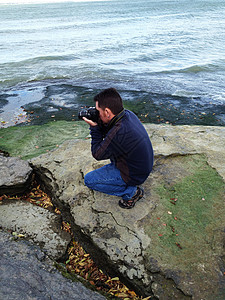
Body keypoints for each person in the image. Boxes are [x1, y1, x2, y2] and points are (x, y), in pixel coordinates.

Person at [82, 88, 154, 209]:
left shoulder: (120, 132)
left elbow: (97, 154)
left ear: (107, 112)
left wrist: (94, 128)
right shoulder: (127, 114)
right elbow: (110, 132)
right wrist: (100, 121)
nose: (96, 114)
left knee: (89, 180)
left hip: (133, 174)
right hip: (142, 166)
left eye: (98, 111)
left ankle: (132, 193)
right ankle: (129, 186)